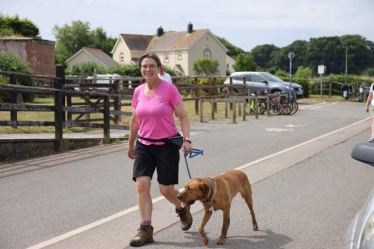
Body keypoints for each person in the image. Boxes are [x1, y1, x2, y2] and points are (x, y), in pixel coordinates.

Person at [127, 52, 193, 247]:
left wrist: (186, 139)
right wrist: (130, 143)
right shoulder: (138, 91)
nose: (148, 69)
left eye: (151, 66)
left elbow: (183, 117)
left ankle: (183, 208)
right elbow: (135, 120)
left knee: (166, 190)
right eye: (144, 66)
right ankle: (145, 229)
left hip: (166, 145)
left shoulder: (169, 89)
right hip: (144, 145)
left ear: (158, 68)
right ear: (141, 68)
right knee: (141, 186)